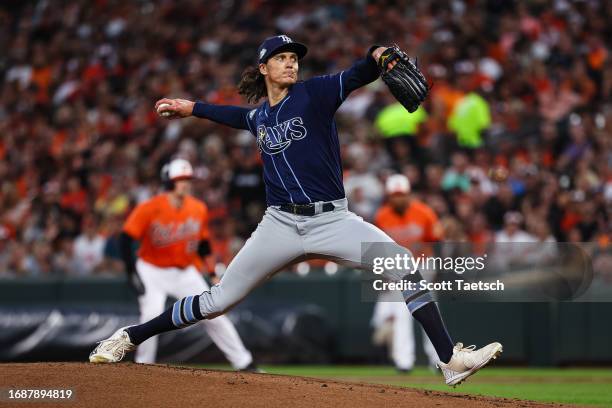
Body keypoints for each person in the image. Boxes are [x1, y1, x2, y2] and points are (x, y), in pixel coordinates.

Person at [89, 35, 501, 386]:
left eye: (293, 58)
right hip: (280, 224)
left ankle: (449, 359)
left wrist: (378, 52)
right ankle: (129, 336)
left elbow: (360, 72)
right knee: (218, 300)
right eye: (282, 59)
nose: (290, 63)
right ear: (264, 68)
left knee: (404, 265)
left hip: (332, 220)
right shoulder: (260, 117)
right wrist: (192, 107)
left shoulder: (316, 92)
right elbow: (234, 115)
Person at [96, 158, 258, 371]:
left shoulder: (198, 208)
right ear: (168, 181)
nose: (185, 183)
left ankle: (244, 362)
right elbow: (126, 238)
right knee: (150, 314)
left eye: (187, 179)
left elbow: (203, 245)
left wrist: (211, 272)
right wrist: (131, 271)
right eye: (180, 179)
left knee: (215, 312)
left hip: (185, 271)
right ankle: (142, 366)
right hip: (152, 269)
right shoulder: (150, 207)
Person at [371, 174, 440, 372]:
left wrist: (436, 270)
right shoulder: (382, 215)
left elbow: (436, 241)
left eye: (402, 194)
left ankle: (439, 360)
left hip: (423, 266)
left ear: (408, 195)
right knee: (401, 314)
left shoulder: (424, 212)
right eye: (395, 195)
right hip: (398, 268)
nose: (398, 198)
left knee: (429, 313)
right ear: (389, 196)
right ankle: (404, 362)